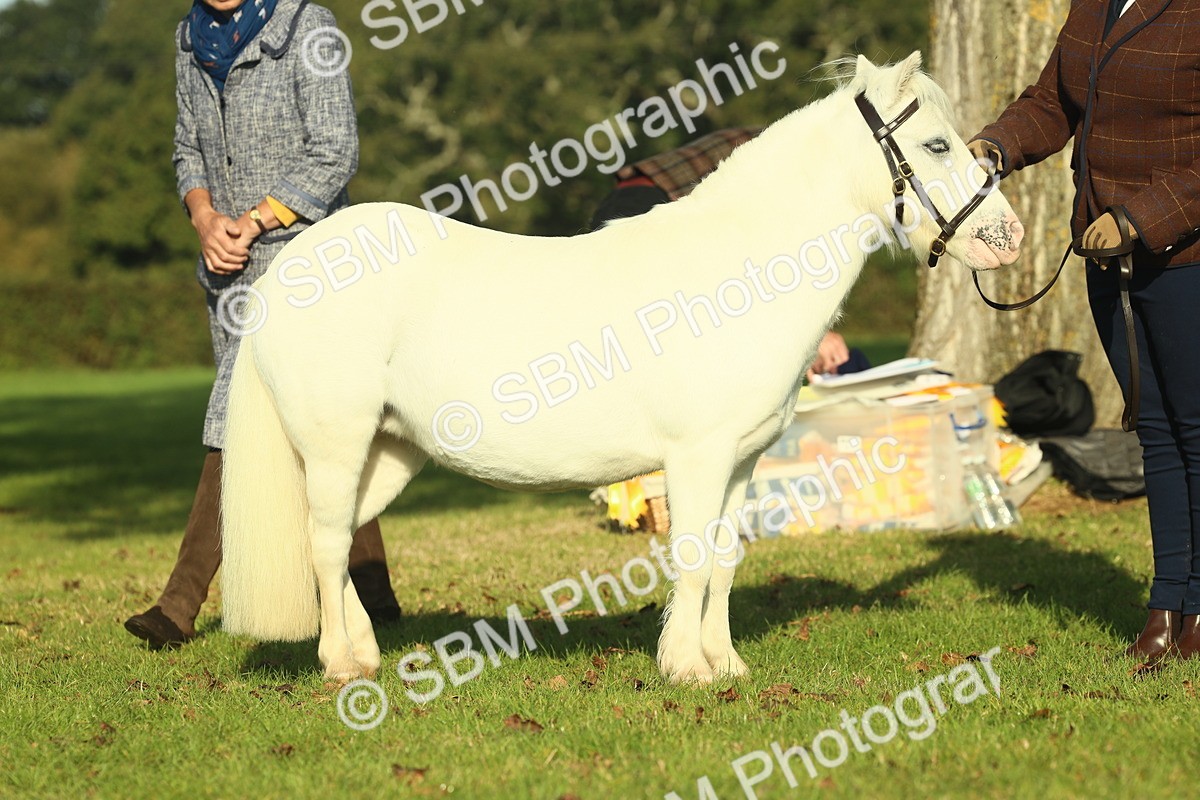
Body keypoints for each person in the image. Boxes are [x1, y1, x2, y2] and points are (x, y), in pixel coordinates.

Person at [124, 0, 400, 649]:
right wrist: (202, 217)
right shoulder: (188, 39)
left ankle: (178, 604)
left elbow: (336, 150)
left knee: (238, 418)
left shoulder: (310, 28)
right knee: (320, 424)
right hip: (226, 270)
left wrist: (254, 220)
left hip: (307, 266)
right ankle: (375, 588)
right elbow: (186, 146)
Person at [968, 0, 1200, 663]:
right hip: (1106, 256)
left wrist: (1141, 217)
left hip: (1184, 257)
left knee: (1196, 429)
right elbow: (1054, 103)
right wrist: (996, 146)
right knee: (1155, 431)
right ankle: (1167, 604)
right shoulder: (1093, 4)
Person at [590, 127, 871, 378]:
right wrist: (813, 338)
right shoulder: (798, 160)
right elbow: (757, 262)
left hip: (642, 201)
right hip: (649, 203)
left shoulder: (799, 150)